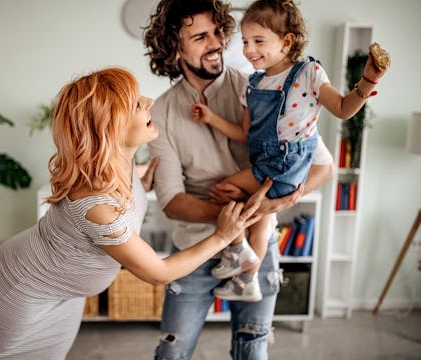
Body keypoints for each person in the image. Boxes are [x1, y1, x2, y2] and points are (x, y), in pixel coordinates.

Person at [0, 67, 266, 360]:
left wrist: (142, 181)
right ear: (110, 127)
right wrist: (222, 235)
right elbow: (158, 272)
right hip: (23, 290)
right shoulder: (97, 205)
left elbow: (122, 195)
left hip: (64, 293)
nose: (149, 101)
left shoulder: (115, 163)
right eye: (137, 105)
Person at [143, 0, 334, 358]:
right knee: (172, 351)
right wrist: (229, 220)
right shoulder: (162, 111)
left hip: (259, 252)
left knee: (252, 351)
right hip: (195, 252)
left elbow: (323, 166)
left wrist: (281, 200)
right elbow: (171, 200)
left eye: (218, 32)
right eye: (200, 36)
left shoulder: (266, 90)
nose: (216, 43)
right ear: (174, 46)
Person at [190, 0, 391, 302]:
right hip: (267, 161)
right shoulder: (253, 83)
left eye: (259, 41)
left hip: (284, 166)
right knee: (258, 224)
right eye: (245, 41)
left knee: (224, 189)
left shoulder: (308, 72)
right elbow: (246, 134)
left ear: (287, 41)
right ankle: (247, 280)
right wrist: (212, 118)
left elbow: (342, 109)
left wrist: (367, 82)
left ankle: (235, 253)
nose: (248, 49)